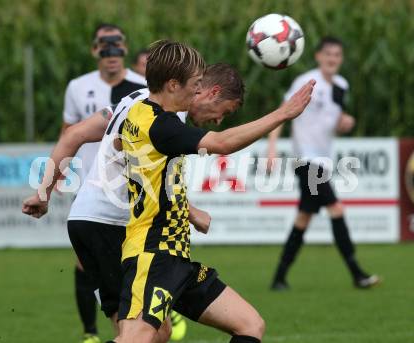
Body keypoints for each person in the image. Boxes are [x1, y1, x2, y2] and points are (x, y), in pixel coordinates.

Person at [22, 62, 245, 342]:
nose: (218, 121)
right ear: (209, 92)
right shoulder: (163, 119)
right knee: (143, 334)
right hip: (110, 224)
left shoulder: (134, 100)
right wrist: (190, 211)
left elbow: (73, 134)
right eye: (224, 112)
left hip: (89, 221)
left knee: (153, 332)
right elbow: (141, 174)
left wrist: (43, 194)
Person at [113, 39, 314, 343]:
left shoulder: (140, 113)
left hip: (177, 258)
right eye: (194, 84)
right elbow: (220, 144)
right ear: (171, 85)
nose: (197, 91)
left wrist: (183, 207)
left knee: (250, 325)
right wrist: (281, 115)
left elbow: (121, 146)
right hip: (153, 255)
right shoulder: (159, 125)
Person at [267, 36, 381, 291]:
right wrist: (272, 148)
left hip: (322, 161)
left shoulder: (341, 85)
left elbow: (335, 124)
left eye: (337, 55)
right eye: (328, 54)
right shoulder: (307, 82)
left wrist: (345, 124)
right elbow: (281, 114)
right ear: (318, 56)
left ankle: (279, 277)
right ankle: (357, 273)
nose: (332, 59)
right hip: (306, 162)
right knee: (336, 209)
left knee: (303, 218)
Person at [62, 22, 146, 343]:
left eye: (117, 43)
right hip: (90, 185)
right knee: (86, 263)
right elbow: (69, 131)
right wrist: (60, 171)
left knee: (142, 258)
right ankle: (90, 332)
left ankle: (150, 321)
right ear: (94, 50)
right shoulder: (78, 87)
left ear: (125, 47)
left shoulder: (142, 86)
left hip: (134, 188)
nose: (111, 52)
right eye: (104, 45)